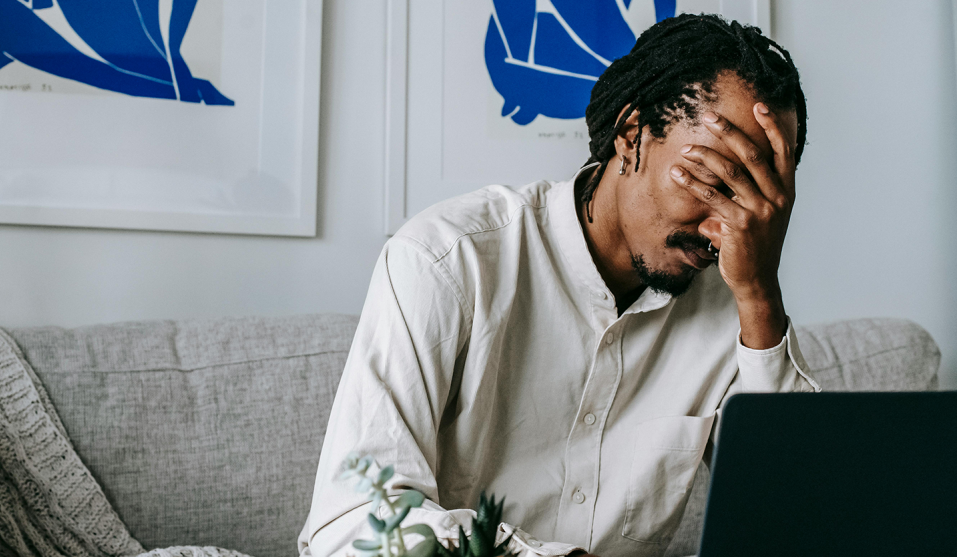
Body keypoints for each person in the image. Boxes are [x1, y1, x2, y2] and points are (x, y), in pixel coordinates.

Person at [299, 13, 819, 557]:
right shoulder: (447, 262)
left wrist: (760, 293)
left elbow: (804, 520)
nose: (725, 227)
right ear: (631, 134)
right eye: (714, 182)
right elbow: (354, 519)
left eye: (754, 200)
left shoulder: (737, 301)